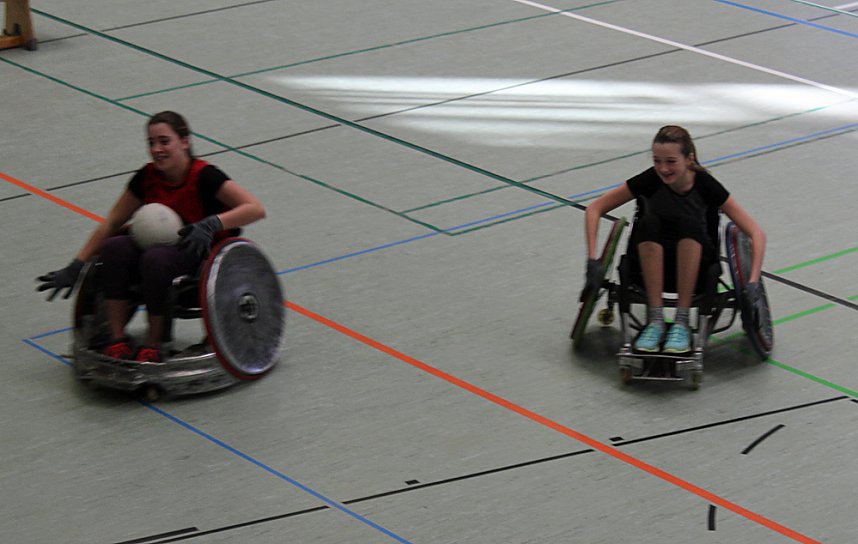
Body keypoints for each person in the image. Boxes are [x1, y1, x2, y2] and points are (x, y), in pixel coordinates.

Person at [37, 111, 266, 363]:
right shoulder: (146, 177)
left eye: (164, 141)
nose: (157, 149)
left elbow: (255, 208)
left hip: (199, 258)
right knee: (115, 248)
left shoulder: (205, 176)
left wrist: (212, 224)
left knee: (156, 259)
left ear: (185, 141)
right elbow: (112, 222)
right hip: (155, 252)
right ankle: (116, 339)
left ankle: (155, 343)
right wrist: (76, 265)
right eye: (151, 143)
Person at [584, 125, 766, 354]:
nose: (663, 168)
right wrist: (592, 259)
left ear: (689, 159)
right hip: (648, 268)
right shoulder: (650, 180)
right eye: (657, 161)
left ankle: (681, 321)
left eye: (670, 161)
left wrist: (752, 282)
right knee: (649, 223)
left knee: (688, 224)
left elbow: (755, 233)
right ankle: (656, 321)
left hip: (698, 270)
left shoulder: (706, 185)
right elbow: (594, 209)